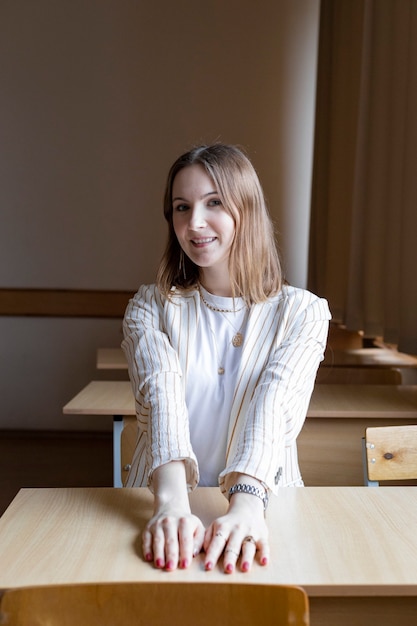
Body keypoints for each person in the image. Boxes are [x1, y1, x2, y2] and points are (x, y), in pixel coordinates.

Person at [122, 143, 331, 574]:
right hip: (159, 506)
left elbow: (275, 402)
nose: (194, 223)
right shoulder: (149, 307)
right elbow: (159, 394)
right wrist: (172, 505)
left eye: (213, 202)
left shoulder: (304, 312)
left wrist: (248, 506)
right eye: (182, 207)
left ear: (246, 209)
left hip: (265, 509)